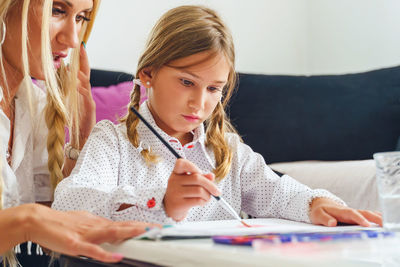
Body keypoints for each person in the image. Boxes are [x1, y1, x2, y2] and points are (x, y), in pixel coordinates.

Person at [52, 5, 382, 228]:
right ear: (148, 73)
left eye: (214, 89)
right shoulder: (113, 141)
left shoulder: (226, 149)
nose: (199, 102)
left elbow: (276, 191)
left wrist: (316, 203)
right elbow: (68, 203)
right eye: (186, 82)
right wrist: (161, 202)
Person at [0, 0, 155, 265]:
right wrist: (29, 220)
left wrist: (83, 135)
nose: (72, 39)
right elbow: (36, 223)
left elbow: (53, 233)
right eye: (57, 11)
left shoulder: (33, 106)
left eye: (82, 17)